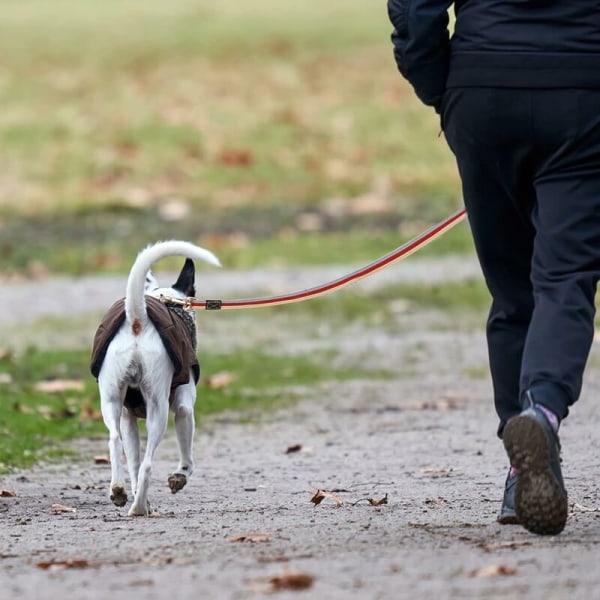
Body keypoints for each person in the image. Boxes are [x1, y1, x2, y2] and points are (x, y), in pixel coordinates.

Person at [387, 0, 600, 536]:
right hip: (582, 92)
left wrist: (442, 87)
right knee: (563, 278)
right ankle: (541, 413)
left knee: (512, 293)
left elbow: (416, 6)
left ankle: (519, 469)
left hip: (483, 92)